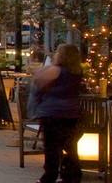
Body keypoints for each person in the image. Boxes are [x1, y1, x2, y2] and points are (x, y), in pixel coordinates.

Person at [31, 44, 86, 183]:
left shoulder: (56, 70)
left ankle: (49, 176)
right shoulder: (77, 72)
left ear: (61, 55)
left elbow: (38, 81)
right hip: (72, 113)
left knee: (51, 147)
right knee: (70, 146)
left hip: (52, 113)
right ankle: (73, 175)